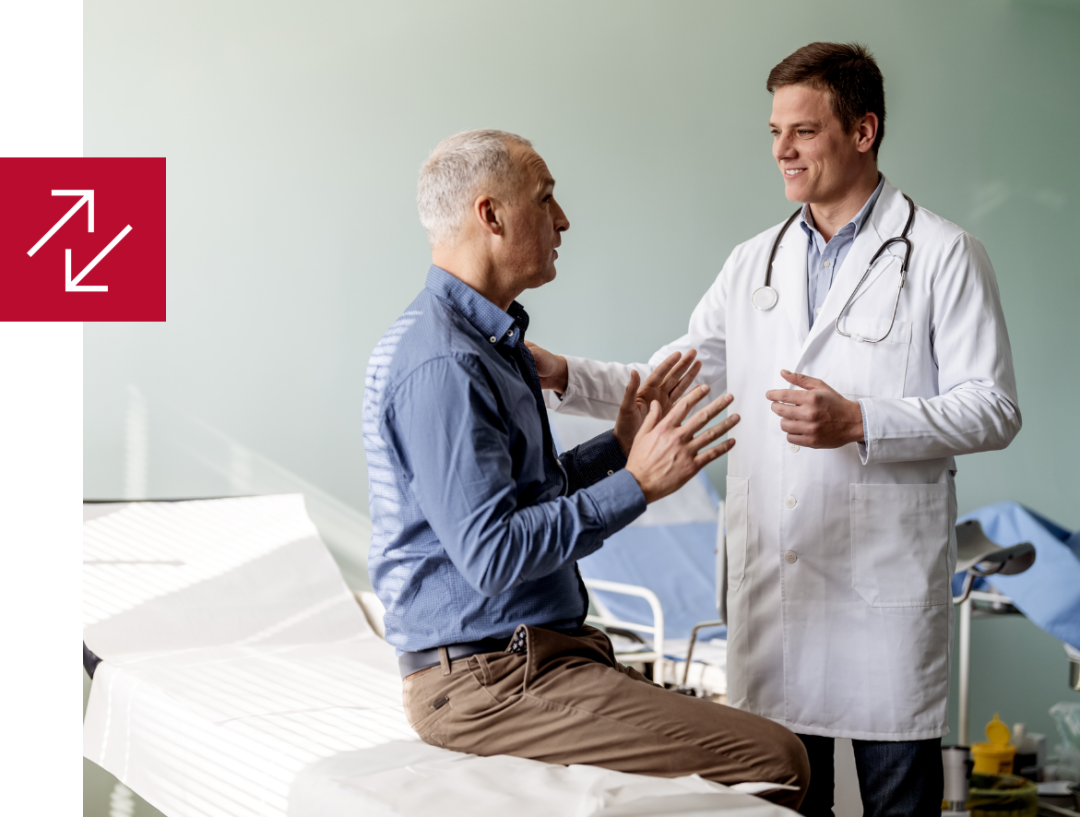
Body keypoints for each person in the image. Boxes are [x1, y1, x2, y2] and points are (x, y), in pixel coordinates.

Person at [529, 44, 1021, 817]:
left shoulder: (943, 255)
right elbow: (670, 376)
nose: (781, 151)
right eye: (774, 131)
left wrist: (860, 420)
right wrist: (565, 374)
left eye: (803, 130)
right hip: (778, 590)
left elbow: (993, 406)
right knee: (779, 800)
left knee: (898, 802)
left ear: (864, 131)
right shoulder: (754, 262)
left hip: (879, 594)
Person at [362, 128, 810, 808]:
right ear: (491, 215)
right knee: (777, 757)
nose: (563, 218)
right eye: (546, 199)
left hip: (537, 657)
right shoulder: (445, 363)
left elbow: (526, 498)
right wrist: (638, 485)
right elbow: (492, 553)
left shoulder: (494, 342)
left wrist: (618, 447)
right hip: (489, 681)